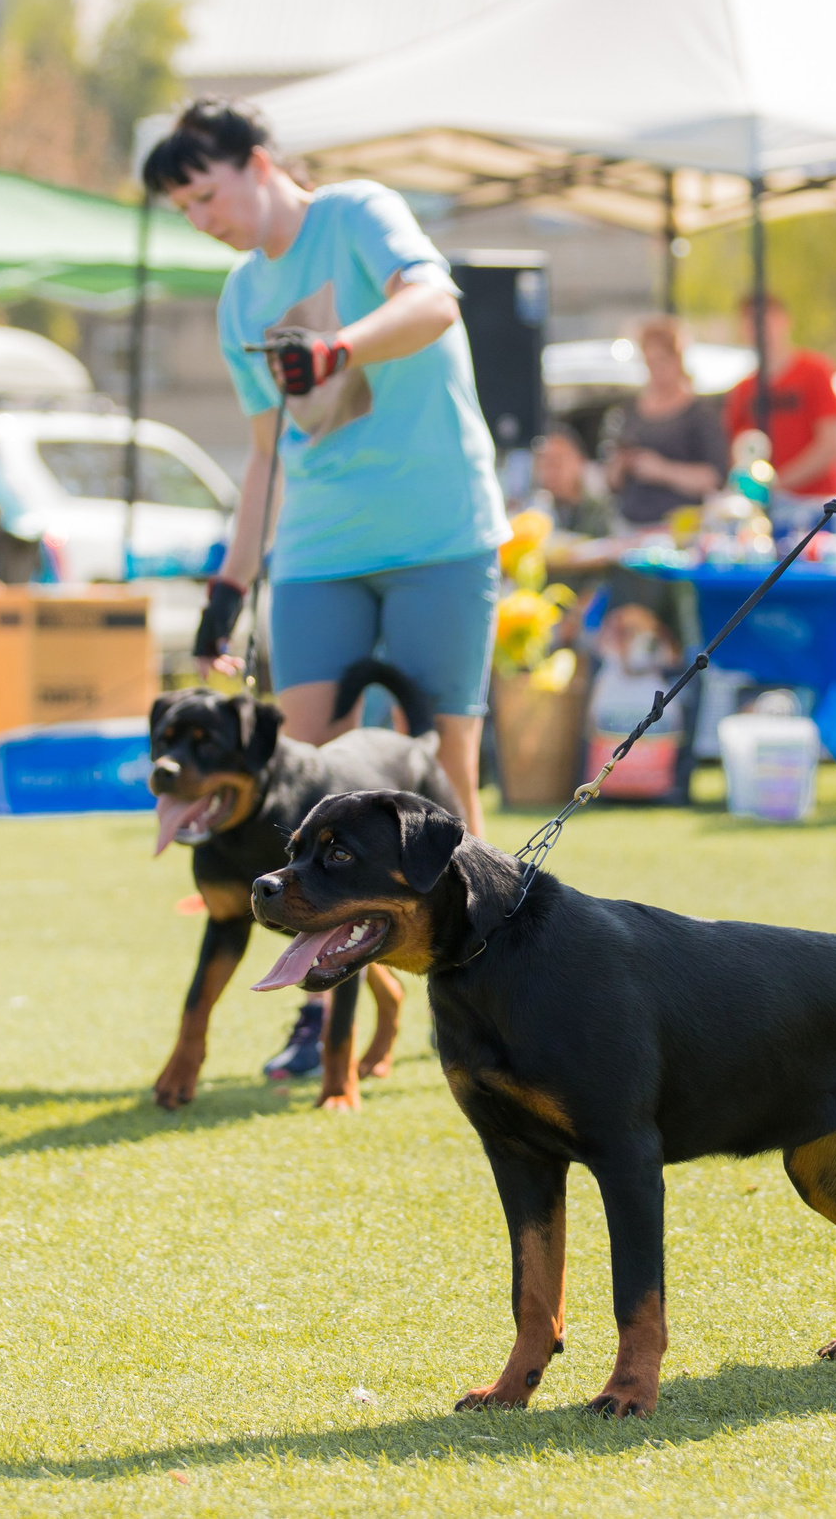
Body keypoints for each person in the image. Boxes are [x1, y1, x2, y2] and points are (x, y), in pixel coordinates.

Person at [144, 100, 509, 1082]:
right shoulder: (237, 301)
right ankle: (319, 1005)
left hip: (439, 530)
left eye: (206, 192)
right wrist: (230, 584)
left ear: (258, 164)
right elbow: (264, 457)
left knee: (450, 780)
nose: (201, 215)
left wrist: (341, 345)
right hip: (315, 548)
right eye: (183, 207)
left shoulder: (357, 214)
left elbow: (435, 300)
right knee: (305, 797)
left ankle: (483, 992)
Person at [721, 297, 836, 512]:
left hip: (817, 505)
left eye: (765, 320)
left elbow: (831, 445)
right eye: (750, 322)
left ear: (784, 321)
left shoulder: (815, 372)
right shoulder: (743, 390)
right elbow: (737, 451)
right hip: (763, 509)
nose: (759, 330)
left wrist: (777, 483)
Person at [608, 316, 727, 527]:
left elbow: (715, 477)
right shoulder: (628, 410)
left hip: (680, 524)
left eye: (661, 360)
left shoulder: (700, 412)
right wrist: (621, 463)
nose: (656, 371)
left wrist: (662, 470)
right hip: (631, 523)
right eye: (649, 362)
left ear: (677, 359)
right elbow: (610, 480)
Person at [530, 425, 615, 538]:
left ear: (579, 461)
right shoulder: (536, 509)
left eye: (557, 461)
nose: (551, 471)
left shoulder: (600, 510)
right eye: (545, 463)